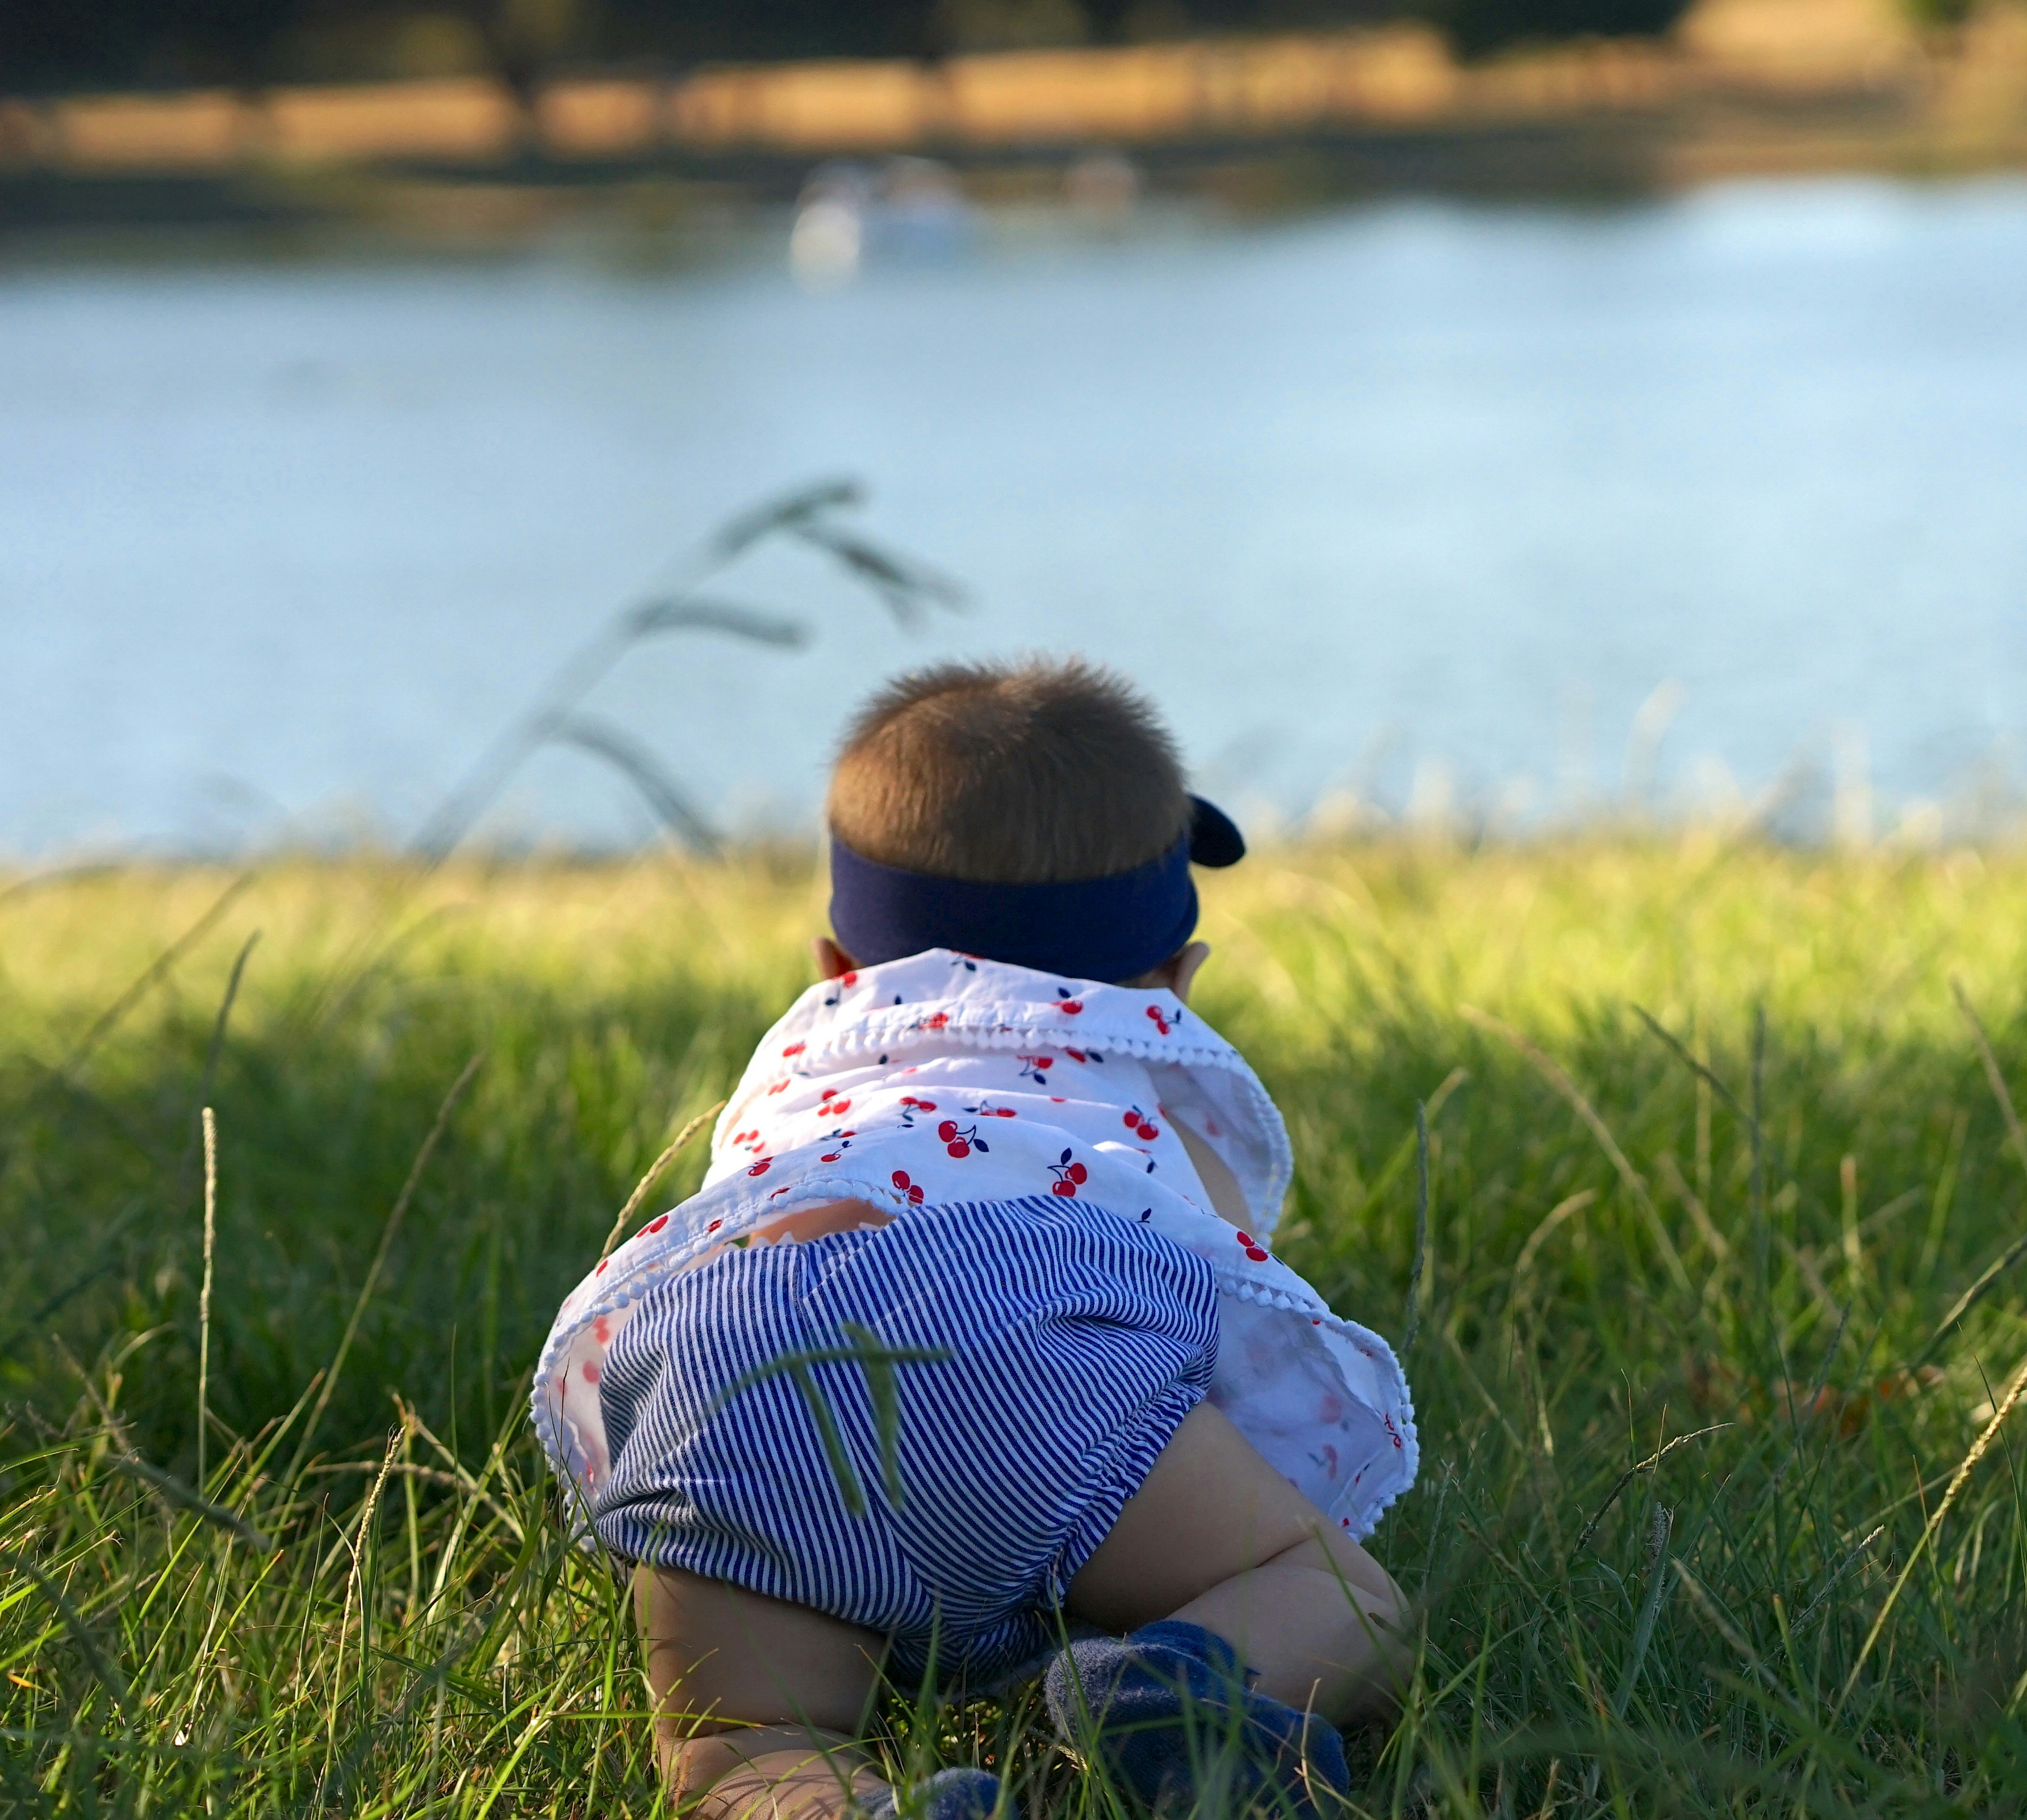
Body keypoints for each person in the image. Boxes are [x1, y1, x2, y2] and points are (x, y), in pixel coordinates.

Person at [533, 658, 1416, 1820]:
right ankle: (1161, 1690)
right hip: (1021, 1353)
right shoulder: (1153, 1108)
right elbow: (1223, 1348)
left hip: (740, 1362)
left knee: (743, 1743)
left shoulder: (799, 1079)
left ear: (837, 973)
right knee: (1345, 1599)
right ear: (1174, 988)